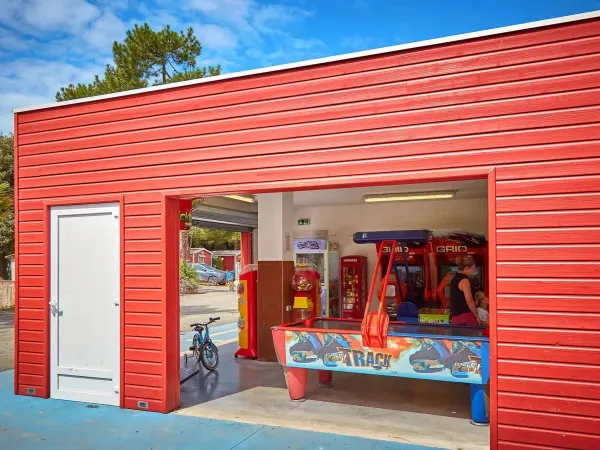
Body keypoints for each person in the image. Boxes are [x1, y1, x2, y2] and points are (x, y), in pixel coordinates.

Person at [449, 255, 480, 326]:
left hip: (455, 318)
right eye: (472, 269)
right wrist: (476, 315)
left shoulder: (454, 279)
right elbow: (469, 300)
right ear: (466, 268)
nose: (473, 271)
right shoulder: (465, 280)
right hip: (466, 318)